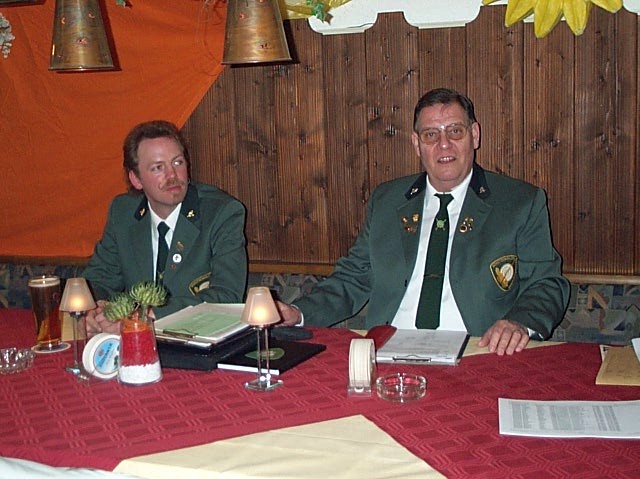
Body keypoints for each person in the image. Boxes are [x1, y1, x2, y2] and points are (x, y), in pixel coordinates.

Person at [278, 88, 570, 355]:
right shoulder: (388, 201)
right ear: (416, 144)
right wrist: (298, 313)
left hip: (478, 351)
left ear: (475, 135)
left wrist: (519, 322)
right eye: (431, 135)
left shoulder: (519, 203)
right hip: (387, 351)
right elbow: (353, 277)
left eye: (455, 131)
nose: (444, 145)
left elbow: (547, 283)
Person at [83, 120, 247, 336]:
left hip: (198, 340)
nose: (172, 175)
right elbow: (98, 279)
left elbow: (227, 297)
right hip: (132, 342)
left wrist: (147, 316)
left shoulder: (221, 212)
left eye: (178, 162)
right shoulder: (123, 213)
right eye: (158, 168)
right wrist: (94, 309)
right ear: (136, 179)